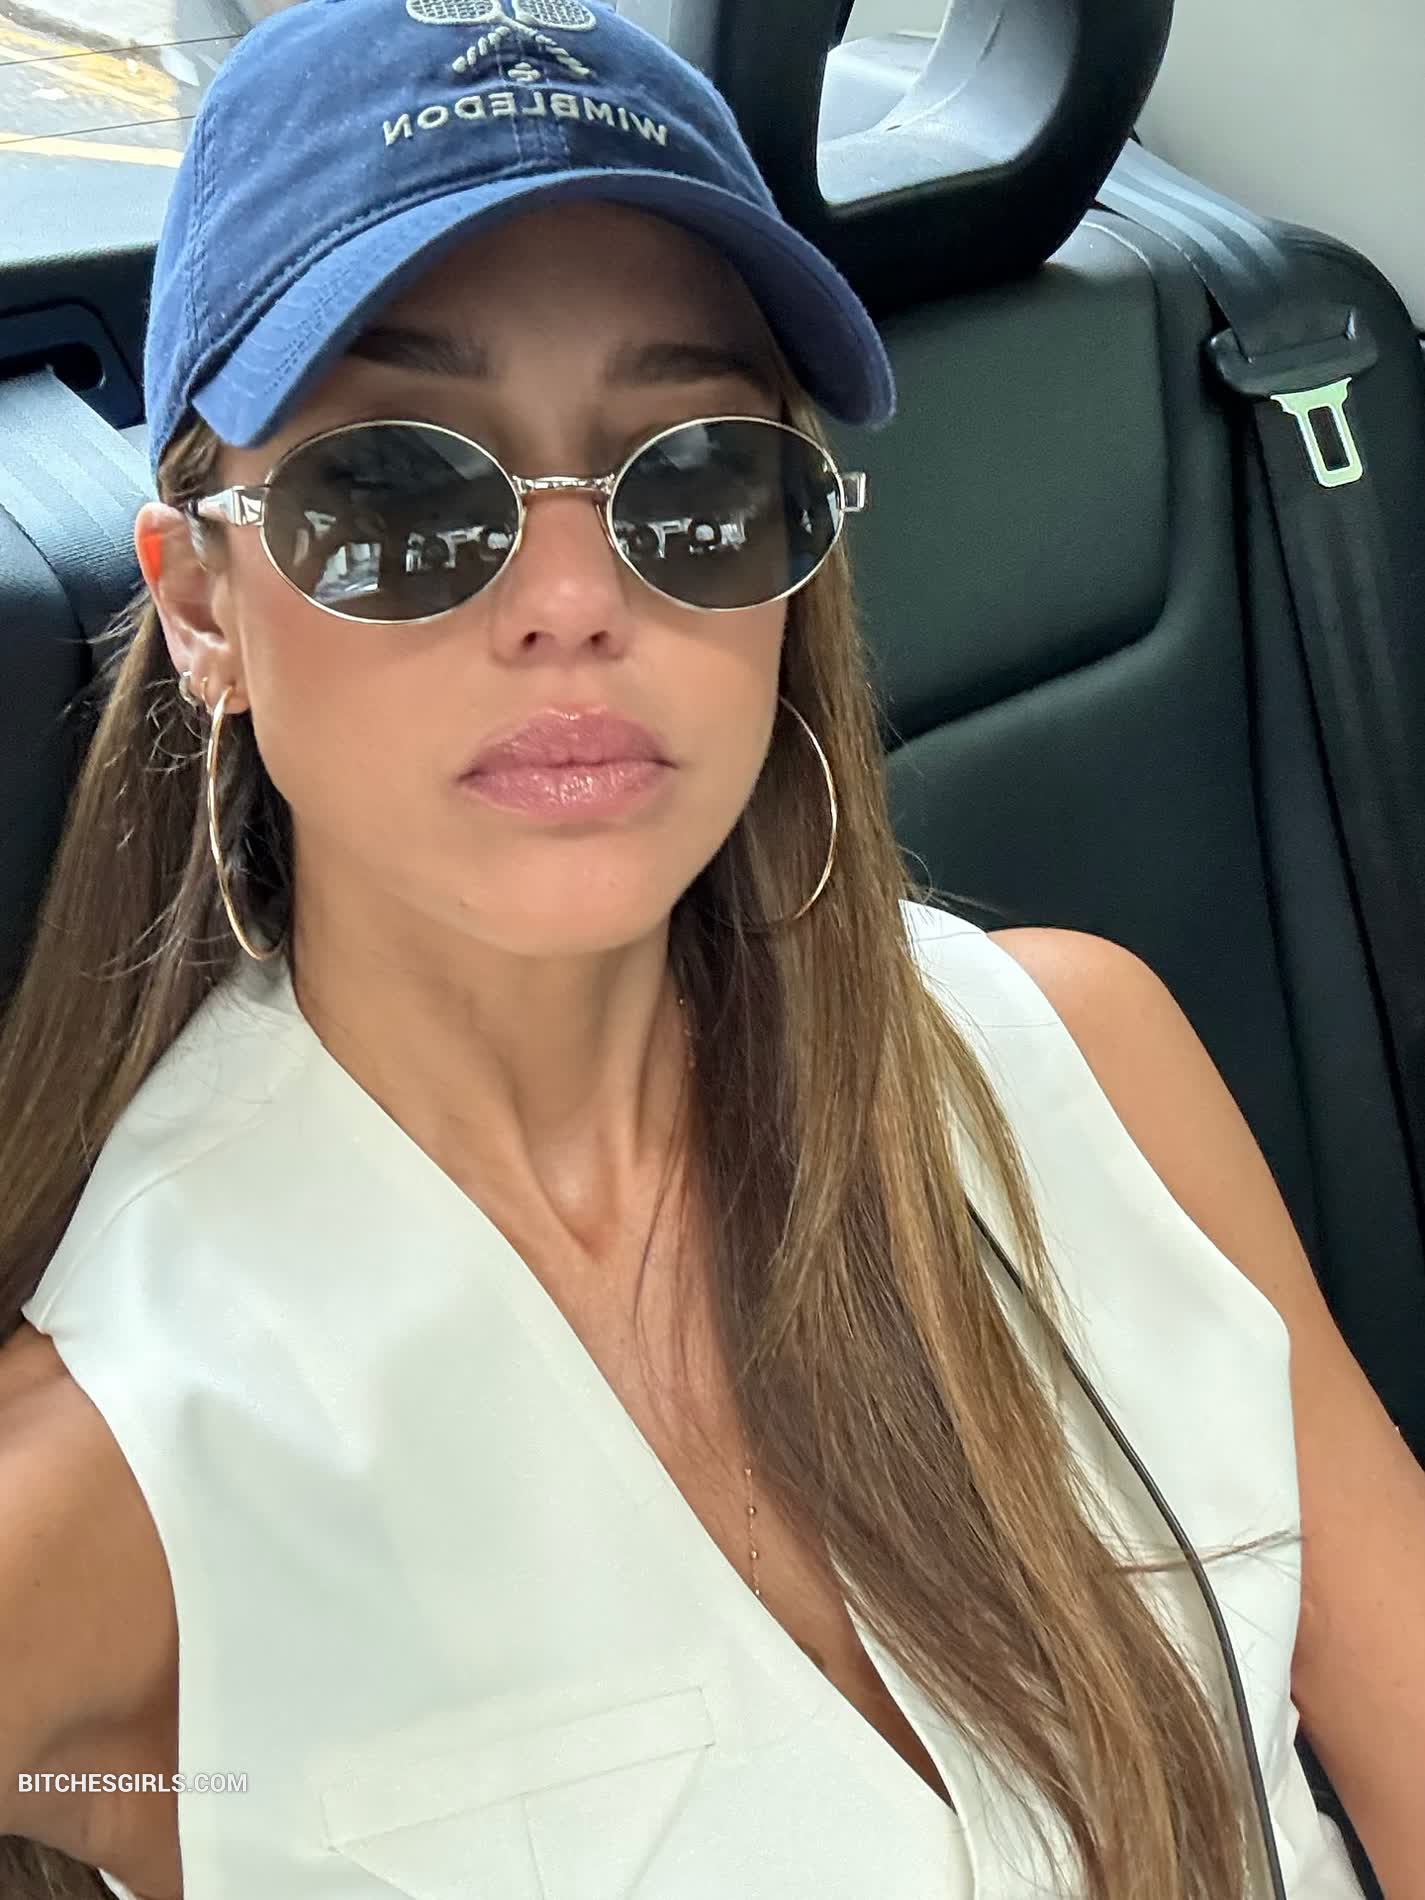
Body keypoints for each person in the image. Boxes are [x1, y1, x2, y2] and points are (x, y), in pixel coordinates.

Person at [0, 2, 1418, 1897]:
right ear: (204, 610)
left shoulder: (1081, 1064)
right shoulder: (110, 1477)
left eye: (691, 483)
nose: (574, 596)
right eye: (400, 494)